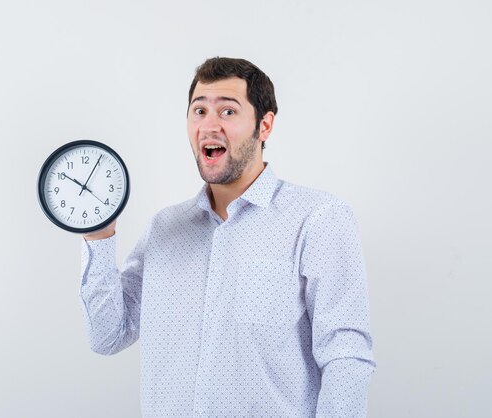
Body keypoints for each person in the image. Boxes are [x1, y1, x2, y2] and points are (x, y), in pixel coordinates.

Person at [79, 57, 376, 417]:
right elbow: (109, 335)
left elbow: (346, 355)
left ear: (264, 126)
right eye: (199, 110)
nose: (209, 125)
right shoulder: (164, 229)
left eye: (228, 112)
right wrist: (98, 235)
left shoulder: (318, 219)